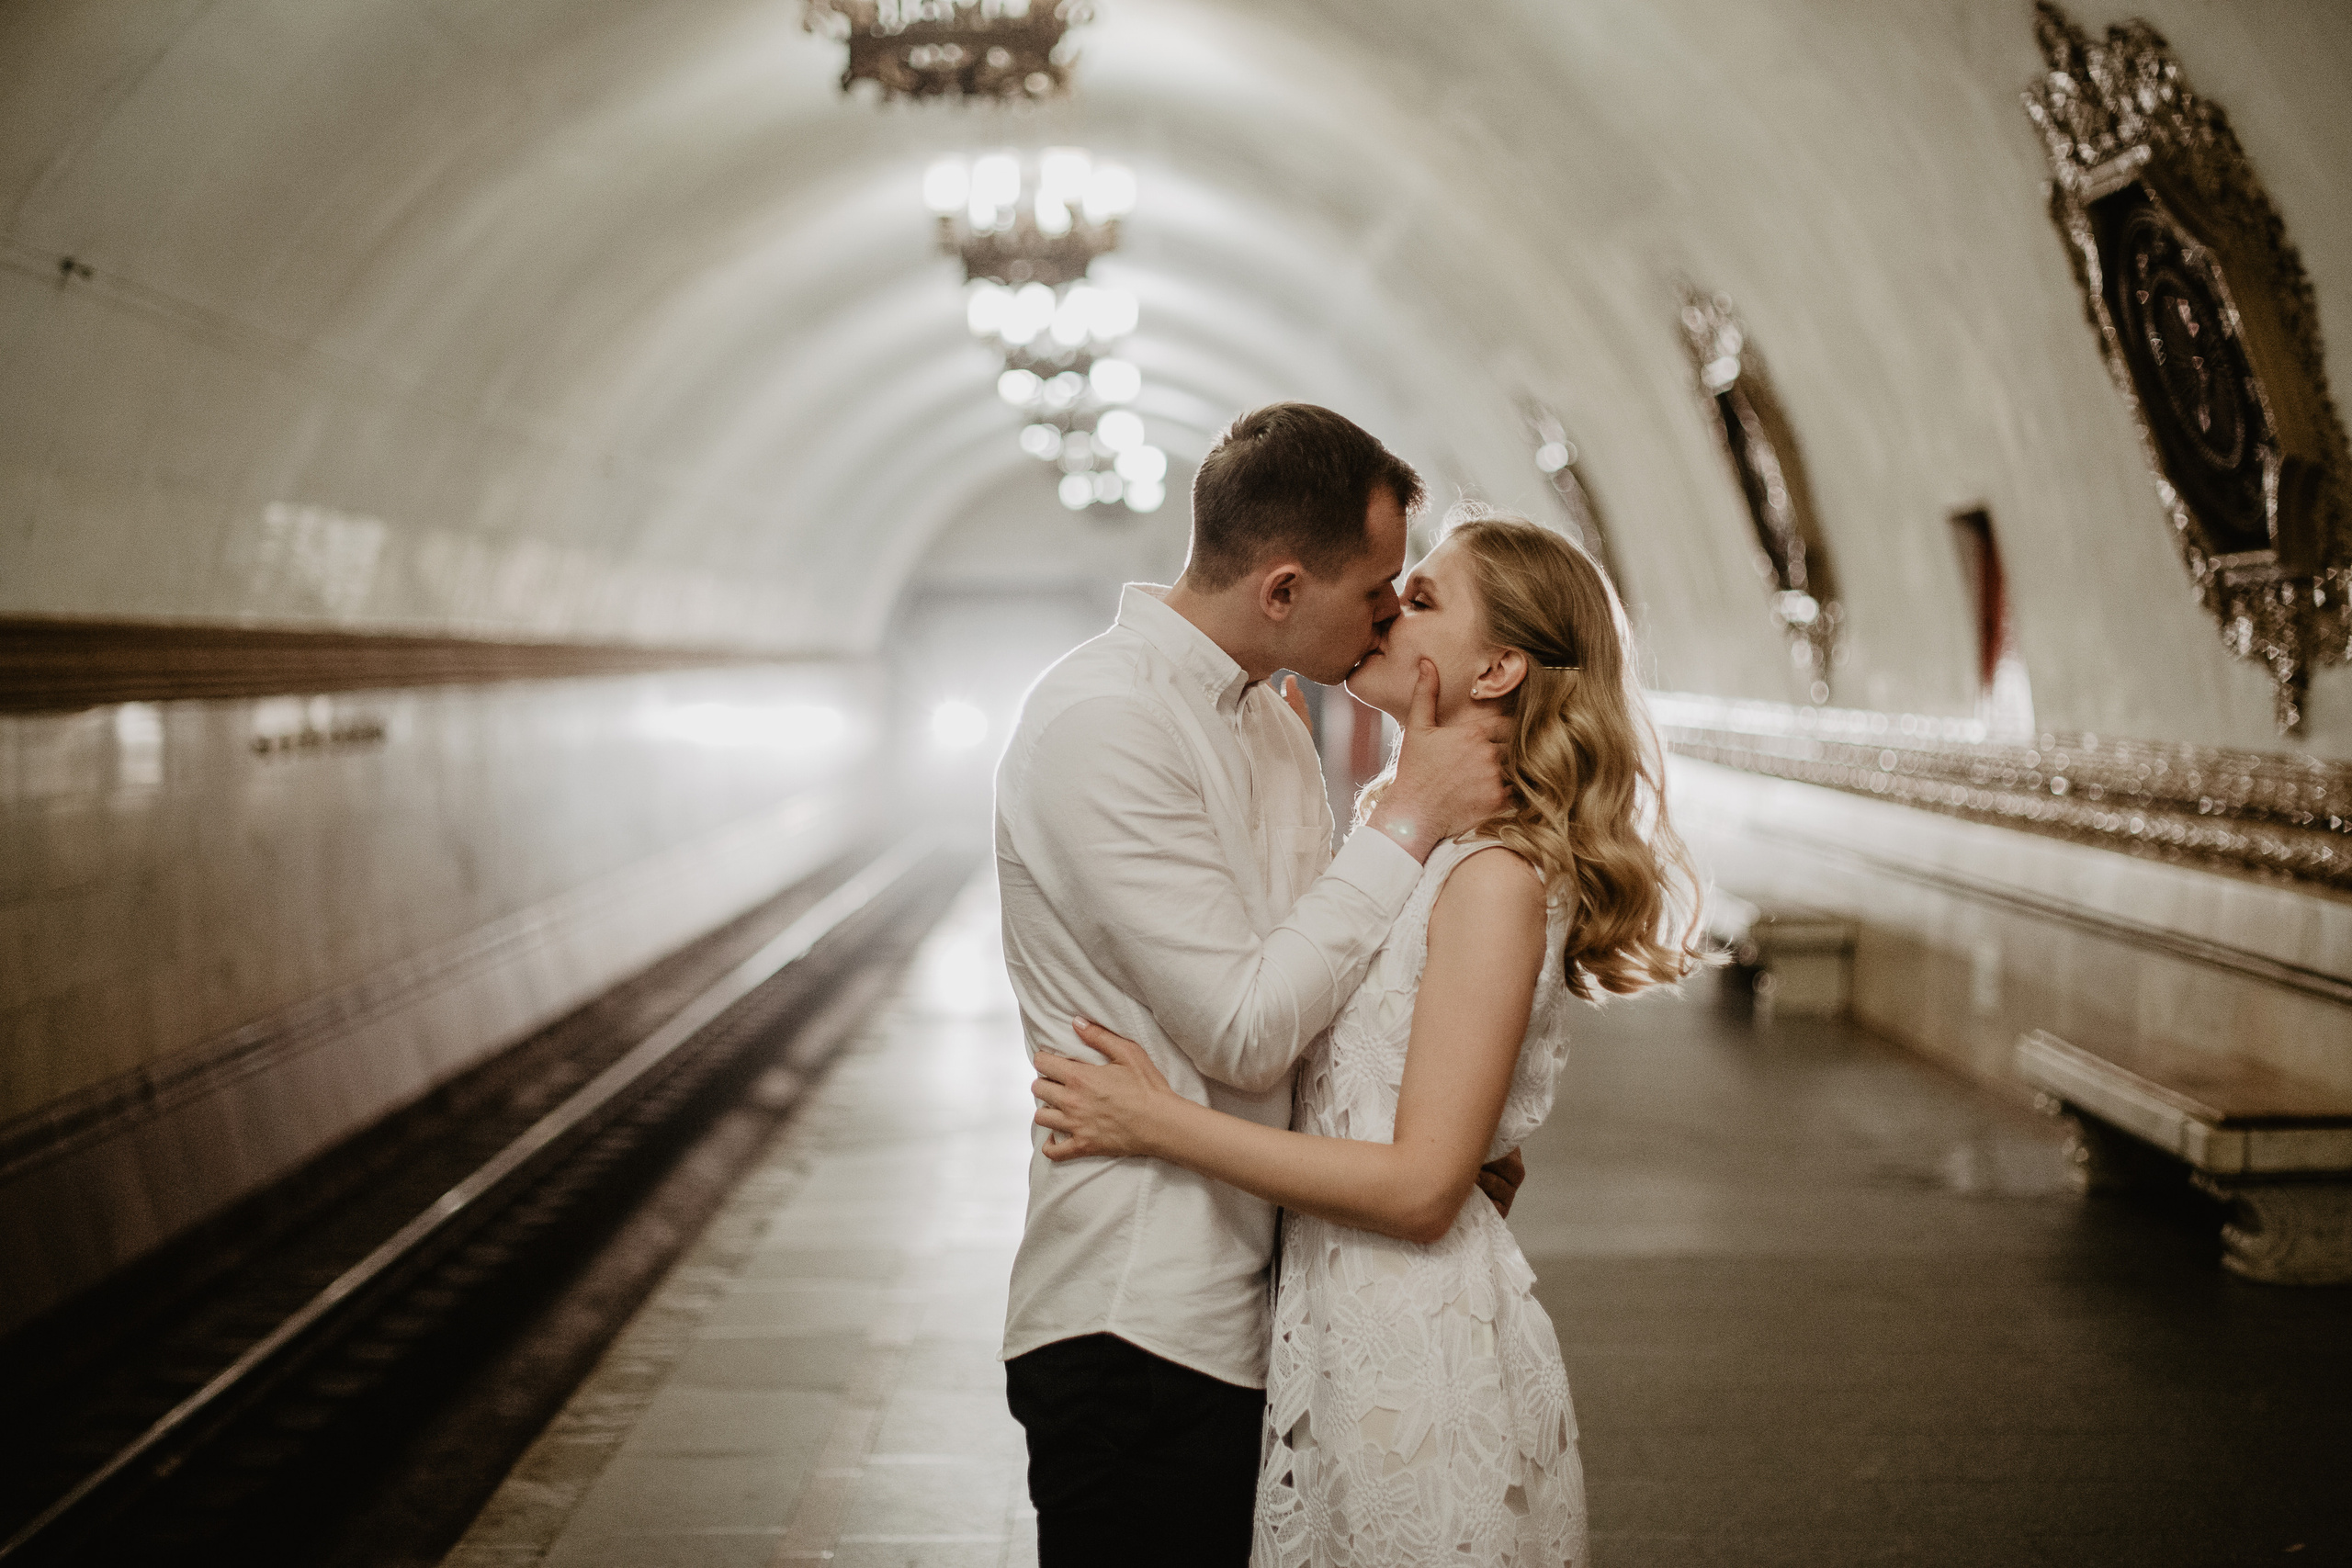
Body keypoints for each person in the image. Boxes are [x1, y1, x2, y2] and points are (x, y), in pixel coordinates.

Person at [1031, 508, 1707, 1567]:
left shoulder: (1490, 877)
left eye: (1423, 597)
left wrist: (1159, 1123)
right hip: (1331, 1330)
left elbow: (1420, 1189)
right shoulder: (1413, 843)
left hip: (1415, 1354)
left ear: (1496, 671)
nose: (1390, 609)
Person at [995, 404, 1524, 1566]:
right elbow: (1243, 1029)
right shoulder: (1104, 723)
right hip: (1136, 1319)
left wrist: (1420, 1119)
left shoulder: (1277, 727)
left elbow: (1313, 991)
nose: (1388, 610)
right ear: (1282, 589)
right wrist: (1408, 816)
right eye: (1377, 587)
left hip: (1274, 1311)